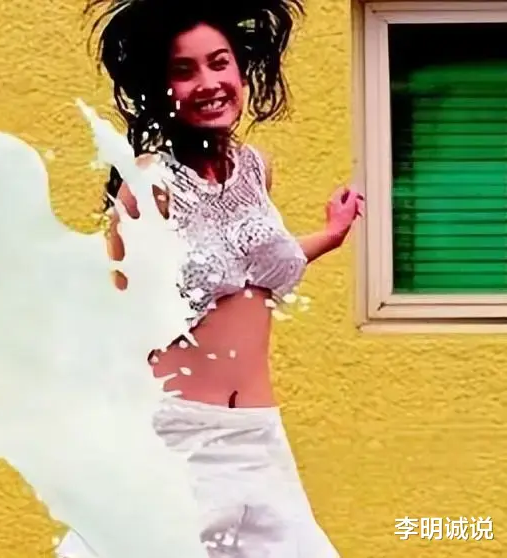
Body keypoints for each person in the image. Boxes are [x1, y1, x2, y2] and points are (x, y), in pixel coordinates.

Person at [57, 0, 363, 556]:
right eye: (185, 70)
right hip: (180, 438)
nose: (209, 82)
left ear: (240, 71)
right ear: (163, 90)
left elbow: (250, 272)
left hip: (258, 437)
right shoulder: (150, 183)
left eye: (219, 63)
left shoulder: (256, 168)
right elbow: (121, 319)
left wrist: (329, 235)